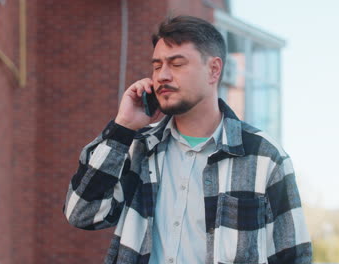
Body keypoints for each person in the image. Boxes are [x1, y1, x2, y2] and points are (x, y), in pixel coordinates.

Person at [64, 15, 312, 264]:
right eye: (157, 65)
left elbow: (293, 256)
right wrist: (123, 127)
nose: (162, 76)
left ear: (214, 70)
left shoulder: (265, 157)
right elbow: (82, 213)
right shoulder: (138, 147)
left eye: (177, 63)